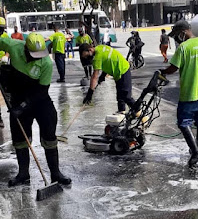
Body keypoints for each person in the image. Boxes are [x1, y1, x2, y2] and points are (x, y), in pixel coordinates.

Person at [0, 33, 71, 186]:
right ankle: (23, 174)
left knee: (49, 135)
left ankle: (55, 173)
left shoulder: (45, 62)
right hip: (18, 97)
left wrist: (23, 106)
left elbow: (42, 91)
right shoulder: (13, 46)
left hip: (39, 100)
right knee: (20, 139)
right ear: (25, 48)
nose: (37, 57)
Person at [161, 20, 198, 168]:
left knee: (183, 122)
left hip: (191, 92)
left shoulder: (184, 48)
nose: (176, 38)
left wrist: (163, 72)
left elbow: (173, 68)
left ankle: (195, 151)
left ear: (183, 32)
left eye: (177, 35)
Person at [80, 44, 136, 113]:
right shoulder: (100, 47)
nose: (87, 58)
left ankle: (141, 114)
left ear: (90, 50)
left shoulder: (97, 58)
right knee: (120, 97)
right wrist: (103, 75)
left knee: (126, 96)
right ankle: (121, 113)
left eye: (87, 56)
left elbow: (94, 77)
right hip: (119, 71)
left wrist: (90, 94)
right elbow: (108, 59)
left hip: (123, 71)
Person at [0, 17, 9, 129]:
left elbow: (10, 48)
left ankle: (13, 111)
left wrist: (6, 56)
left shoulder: (5, 37)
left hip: (4, 67)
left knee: (7, 92)